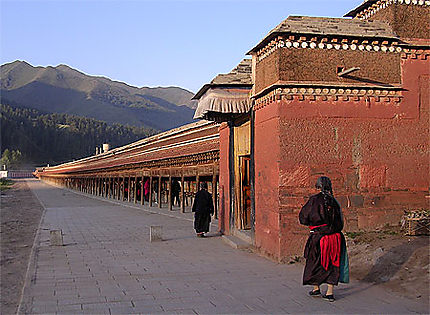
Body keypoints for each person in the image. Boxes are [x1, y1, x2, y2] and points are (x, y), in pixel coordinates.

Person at [299, 176, 349, 302]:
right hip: (335, 238)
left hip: (319, 237)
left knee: (315, 262)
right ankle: (330, 292)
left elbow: (303, 218)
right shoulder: (334, 202)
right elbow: (340, 222)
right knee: (333, 262)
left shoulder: (313, 200)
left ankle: (316, 288)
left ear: (317, 187)